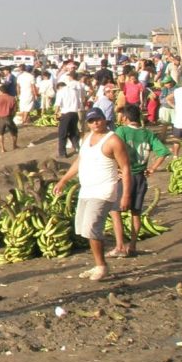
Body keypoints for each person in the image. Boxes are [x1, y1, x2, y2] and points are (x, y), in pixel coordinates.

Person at [53, 108, 132, 282]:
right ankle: (98, 264)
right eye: (91, 121)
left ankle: (102, 266)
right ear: (87, 123)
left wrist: (125, 194)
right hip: (86, 189)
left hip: (104, 190)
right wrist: (64, 180)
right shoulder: (86, 138)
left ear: (105, 120)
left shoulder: (113, 140)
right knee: (84, 229)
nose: (95, 123)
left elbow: (125, 168)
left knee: (91, 227)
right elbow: (80, 161)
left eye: (98, 119)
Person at [109, 103, 169, 256]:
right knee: (136, 213)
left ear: (126, 118)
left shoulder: (121, 131)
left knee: (115, 211)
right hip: (140, 177)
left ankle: (119, 246)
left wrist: (116, 169)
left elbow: (113, 150)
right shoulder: (148, 134)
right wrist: (153, 168)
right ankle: (133, 246)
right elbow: (162, 152)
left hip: (125, 176)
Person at [0, 83, 18, 152]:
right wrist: (12, 116)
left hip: (0, 118)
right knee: (14, 132)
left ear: (0, 91)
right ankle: (14, 146)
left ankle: (2, 148)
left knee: (1, 133)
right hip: (9, 117)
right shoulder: (12, 98)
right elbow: (15, 110)